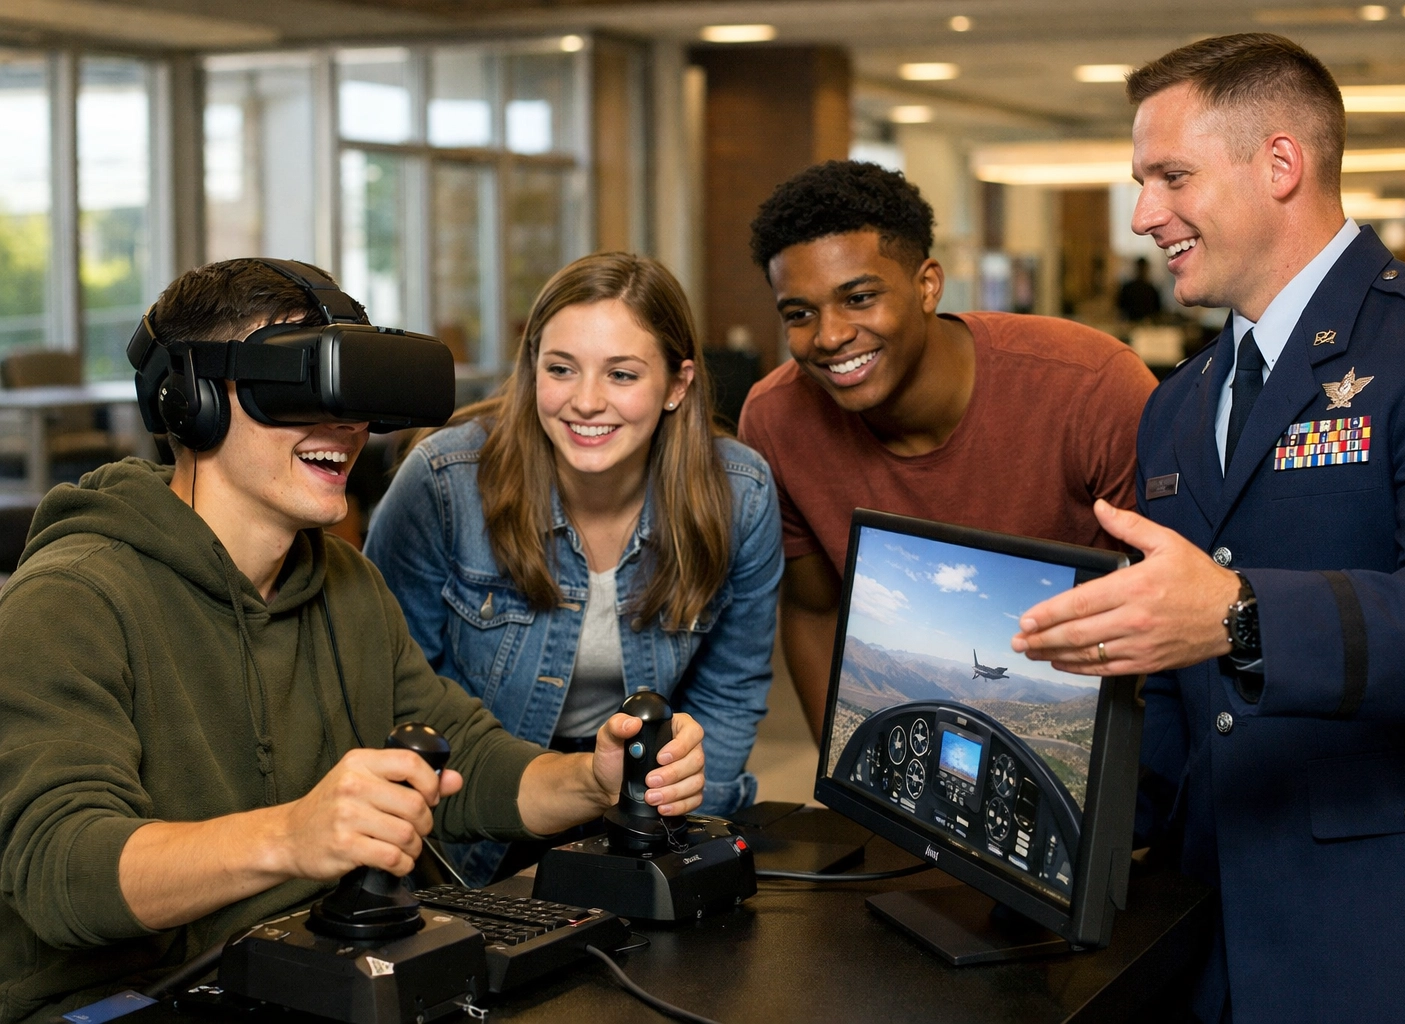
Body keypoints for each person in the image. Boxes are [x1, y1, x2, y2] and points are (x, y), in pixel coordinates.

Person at [0, 259, 708, 1022]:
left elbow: (458, 755)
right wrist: (293, 837)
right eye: (301, 392)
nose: (345, 427)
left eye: (353, 397)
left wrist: (593, 783)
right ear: (192, 398)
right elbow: (60, 869)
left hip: (315, 971)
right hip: (127, 1000)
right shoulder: (72, 599)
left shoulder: (344, 583)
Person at [1011, 33, 1405, 1023]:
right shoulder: (1179, 401)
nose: (1141, 216)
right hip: (1214, 923)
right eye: (1138, 181)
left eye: (1171, 176)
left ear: (1281, 163)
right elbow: (1175, 679)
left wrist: (1242, 617)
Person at [366, 253, 781, 885]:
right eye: (561, 369)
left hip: (645, 800)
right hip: (472, 812)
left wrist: (684, 831)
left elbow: (731, 688)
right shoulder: (443, 484)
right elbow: (391, 695)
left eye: (621, 374)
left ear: (676, 385)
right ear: (532, 369)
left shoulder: (741, 494)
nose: (586, 402)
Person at [736, 160, 1157, 741]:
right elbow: (815, 610)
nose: (829, 335)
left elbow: (1172, 606)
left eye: (858, 298)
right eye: (800, 314)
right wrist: (847, 774)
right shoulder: (776, 417)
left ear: (927, 285)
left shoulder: (1090, 386)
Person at [1116, 256, 1163, 322]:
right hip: (1133, 324)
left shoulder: (1152, 289)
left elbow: (1157, 311)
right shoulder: (1151, 289)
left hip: (1146, 325)